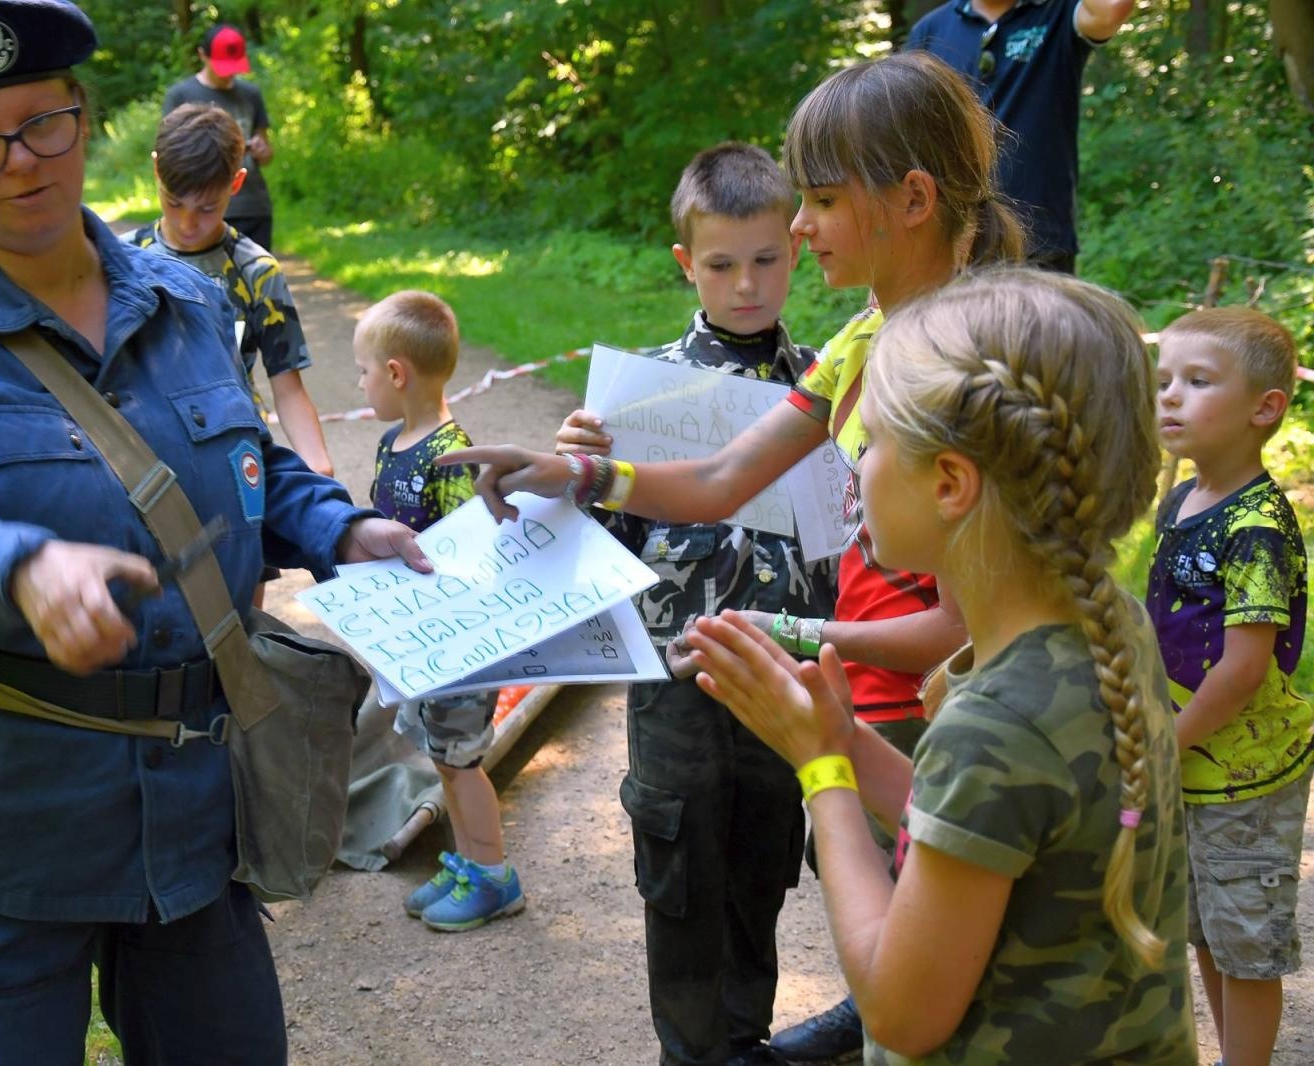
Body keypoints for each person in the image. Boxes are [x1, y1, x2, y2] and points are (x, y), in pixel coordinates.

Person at [0, 3, 427, 1063]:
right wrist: (20, 566)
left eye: (43, 123)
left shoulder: (183, 300)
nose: (20, 162)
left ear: (84, 117)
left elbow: (239, 459)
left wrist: (340, 525)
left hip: (192, 809)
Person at [451, 51, 1015, 1059]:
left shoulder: (983, 353)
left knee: (954, 990)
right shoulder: (857, 345)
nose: (794, 232)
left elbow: (967, 625)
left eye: (820, 202)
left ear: (912, 200)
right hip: (850, 694)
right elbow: (721, 479)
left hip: (958, 711)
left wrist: (784, 631)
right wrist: (581, 477)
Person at [682, 268, 1196, 1064]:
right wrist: (845, 738)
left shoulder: (997, 725)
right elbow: (973, 822)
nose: (857, 470)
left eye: (875, 441)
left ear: (951, 483)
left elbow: (897, 1011)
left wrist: (822, 774)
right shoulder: (1104, 624)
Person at [554, 142, 835, 1066]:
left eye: (765, 260)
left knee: (760, 865)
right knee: (678, 879)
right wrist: (581, 475)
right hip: (677, 684)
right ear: (688, 264)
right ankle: (691, 1053)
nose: (746, 284)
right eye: (721, 265)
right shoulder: (640, 395)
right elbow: (595, 554)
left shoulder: (831, 389)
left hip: (784, 677)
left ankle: (745, 1040)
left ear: (796, 250)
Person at [1148, 307, 1312, 1066]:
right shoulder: (1182, 501)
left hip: (1246, 770)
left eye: (1197, 381)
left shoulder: (1259, 528)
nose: (1170, 398)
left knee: (1246, 939)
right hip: (1192, 758)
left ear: (1264, 408)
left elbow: (1244, 669)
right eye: (1164, 382)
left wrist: (1161, 744)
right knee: (1207, 929)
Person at [354, 289, 525, 932]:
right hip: (420, 640)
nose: (360, 384)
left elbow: (469, 546)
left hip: (459, 644)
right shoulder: (394, 443)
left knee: (461, 760)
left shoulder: (451, 454)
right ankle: (468, 863)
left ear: (396, 374)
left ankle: (494, 877)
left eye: (364, 372)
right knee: (440, 757)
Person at [126, 102, 333, 478]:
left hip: (237, 453)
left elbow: (288, 388)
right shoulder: (123, 261)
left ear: (235, 184)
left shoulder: (256, 272)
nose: (187, 223)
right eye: (174, 202)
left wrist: (319, 466)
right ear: (157, 169)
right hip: (149, 462)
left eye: (207, 208)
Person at [905, 0, 1136, 273]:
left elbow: (1112, 8)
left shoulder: (1057, 12)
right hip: (951, 244)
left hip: (1040, 241)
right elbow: (904, 137)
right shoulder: (930, 31)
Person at [161, 23, 275, 251]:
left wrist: (262, 150)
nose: (229, 73)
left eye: (234, 66)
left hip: (254, 206)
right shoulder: (181, 95)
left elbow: (267, 153)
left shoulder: (251, 94)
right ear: (202, 55)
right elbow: (168, 155)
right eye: (222, 65)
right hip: (204, 208)